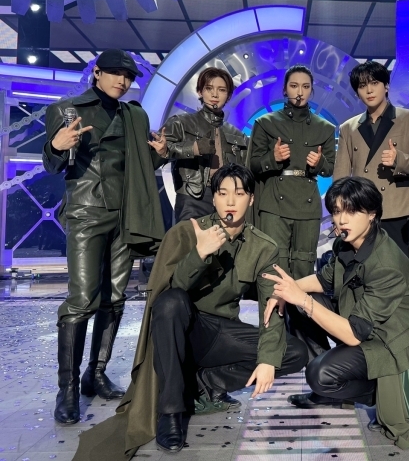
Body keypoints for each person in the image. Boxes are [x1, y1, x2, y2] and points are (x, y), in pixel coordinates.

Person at [73, 164, 308, 459]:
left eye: (239, 194)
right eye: (223, 193)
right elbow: (168, 293)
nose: (230, 201)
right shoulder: (189, 233)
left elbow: (270, 309)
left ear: (251, 199)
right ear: (214, 198)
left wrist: (268, 361)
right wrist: (200, 253)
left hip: (220, 333)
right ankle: (171, 411)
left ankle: (205, 383)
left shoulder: (263, 246)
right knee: (172, 302)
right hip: (183, 329)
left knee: (293, 352)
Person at [262, 176, 409, 449]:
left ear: (372, 214)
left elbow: (354, 334)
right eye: (336, 211)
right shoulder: (348, 243)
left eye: (351, 211)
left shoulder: (387, 264)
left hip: (388, 341)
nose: (341, 219)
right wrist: (285, 292)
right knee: (298, 306)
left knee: (319, 375)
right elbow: (323, 279)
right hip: (361, 323)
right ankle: (336, 383)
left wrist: (303, 300)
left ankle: (371, 390)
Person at [42, 49, 168, 425]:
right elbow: (52, 164)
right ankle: (66, 390)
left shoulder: (134, 115)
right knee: (83, 299)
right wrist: (56, 146)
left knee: (114, 298)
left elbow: (139, 166)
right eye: (115, 73)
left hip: (126, 214)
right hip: (87, 212)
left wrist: (159, 155)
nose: (122, 81)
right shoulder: (67, 110)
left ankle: (94, 375)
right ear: (96, 73)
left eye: (128, 76)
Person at [248, 64, 336, 360]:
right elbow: (252, 166)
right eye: (294, 86)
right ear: (285, 89)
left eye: (305, 86)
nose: (300, 91)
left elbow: (330, 167)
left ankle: (310, 352)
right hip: (274, 202)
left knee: (303, 272)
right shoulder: (266, 123)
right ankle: (272, 352)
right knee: (274, 273)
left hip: (307, 204)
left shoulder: (325, 128)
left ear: (312, 90)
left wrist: (319, 164)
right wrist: (273, 158)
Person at [333, 61, 409, 301]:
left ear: (386, 86)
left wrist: (399, 160)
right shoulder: (348, 128)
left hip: (397, 207)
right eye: (362, 86)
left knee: (406, 270)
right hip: (362, 211)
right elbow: (341, 177)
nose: (369, 90)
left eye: (374, 83)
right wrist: (339, 213)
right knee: (366, 271)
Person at [162, 67, 250, 221]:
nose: (215, 94)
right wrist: (193, 149)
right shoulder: (181, 123)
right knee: (191, 236)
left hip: (227, 199)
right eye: (209, 88)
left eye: (221, 90)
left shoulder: (237, 134)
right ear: (199, 91)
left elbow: (249, 166)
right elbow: (160, 153)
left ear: (229, 95)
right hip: (193, 197)